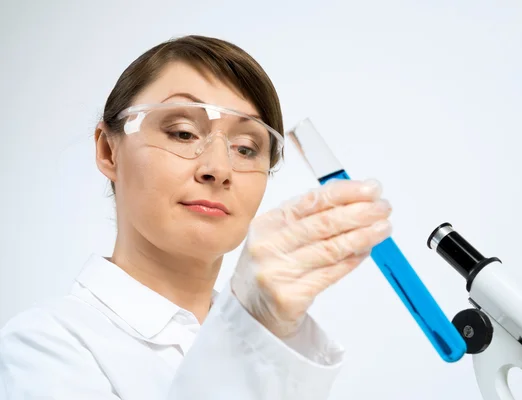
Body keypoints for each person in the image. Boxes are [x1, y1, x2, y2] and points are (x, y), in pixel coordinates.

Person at [0, 35, 392, 400]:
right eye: (183, 132)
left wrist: (255, 328)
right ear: (108, 151)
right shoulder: (42, 346)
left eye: (246, 148)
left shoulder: (284, 342)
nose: (218, 168)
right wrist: (251, 321)